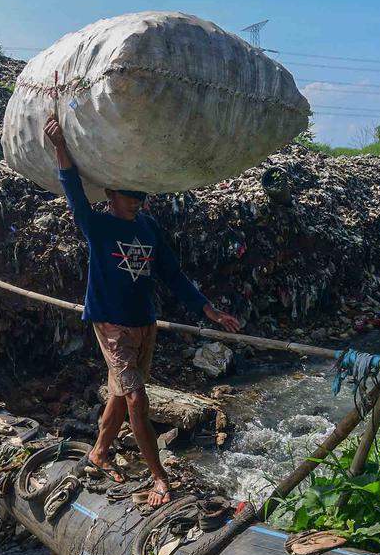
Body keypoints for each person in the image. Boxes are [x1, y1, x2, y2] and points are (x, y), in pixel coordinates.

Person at [44, 114, 241, 508]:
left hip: (144, 323)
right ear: (111, 194)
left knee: (120, 392)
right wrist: (61, 146)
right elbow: (72, 190)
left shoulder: (148, 228)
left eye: (141, 196)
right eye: (129, 195)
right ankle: (159, 476)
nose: (137, 202)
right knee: (136, 397)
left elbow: (173, 274)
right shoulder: (97, 226)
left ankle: (99, 452)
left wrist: (210, 311)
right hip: (110, 323)